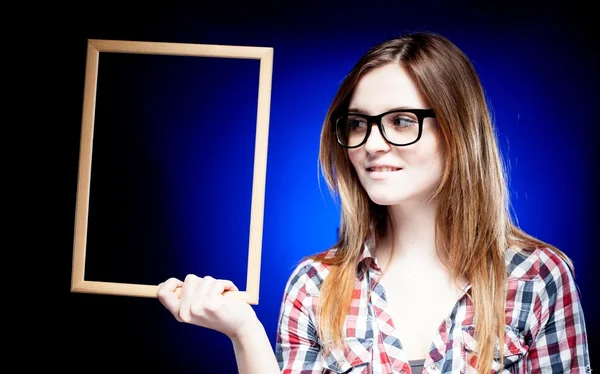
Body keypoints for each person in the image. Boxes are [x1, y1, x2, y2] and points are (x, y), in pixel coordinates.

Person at [157, 31, 591, 373]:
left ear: (458, 132)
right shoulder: (315, 286)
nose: (372, 144)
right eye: (359, 123)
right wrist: (243, 333)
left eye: (402, 121)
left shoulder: (538, 279)